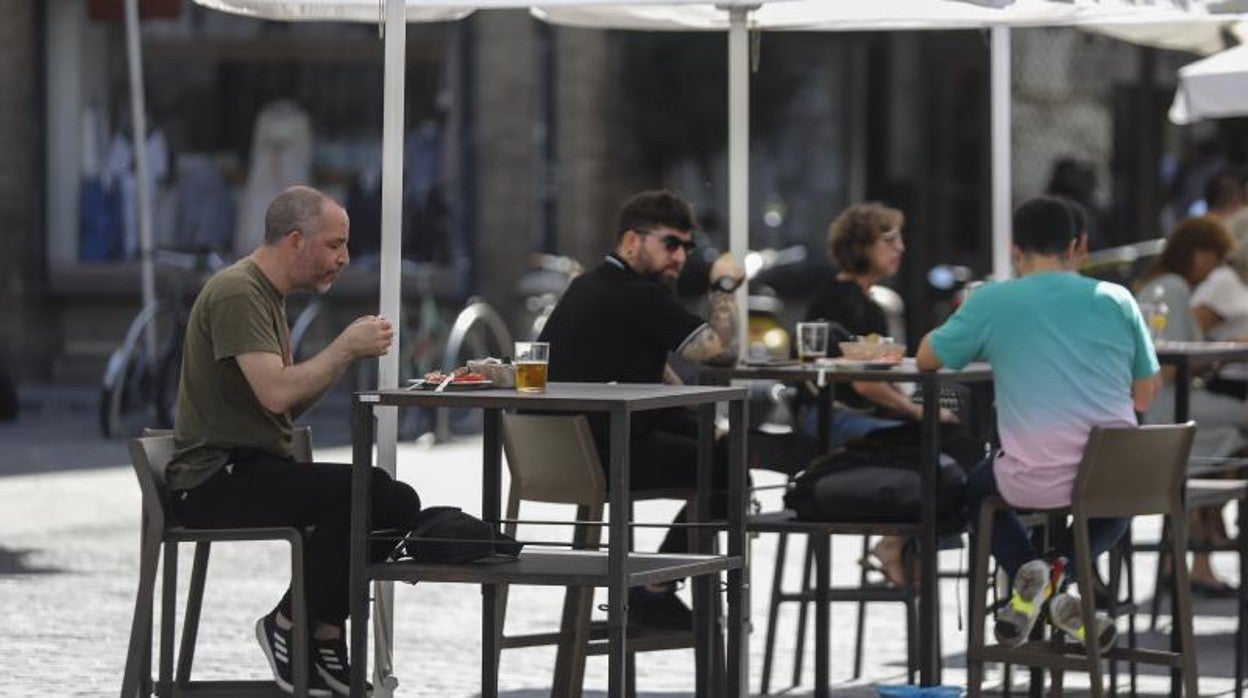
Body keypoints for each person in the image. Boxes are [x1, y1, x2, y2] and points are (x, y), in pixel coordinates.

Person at [169, 185, 423, 696]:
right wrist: (344, 349)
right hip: (215, 479)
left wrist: (338, 358)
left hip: (252, 467)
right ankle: (289, 624)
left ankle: (322, 630)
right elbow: (275, 392)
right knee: (366, 492)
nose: (344, 259)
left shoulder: (266, 295)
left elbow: (282, 403)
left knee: (395, 499)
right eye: (335, 245)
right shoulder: (239, 291)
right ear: (295, 241)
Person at [917, 196, 1161, 651]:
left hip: (1031, 477)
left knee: (977, 487)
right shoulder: (1118, 299)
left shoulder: (993, 299)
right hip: (1114, 478)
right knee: (1116, 505)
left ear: (1014, 249)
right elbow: (1145, 393)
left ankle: (1031, 571)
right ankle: (1059, 572)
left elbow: (927, 358)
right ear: (1079, 245)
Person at [537, 189, 744, 631]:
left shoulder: (588, 286)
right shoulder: (639, 295)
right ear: (632, 241)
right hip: (603, 456)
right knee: (730, 467)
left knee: (722, 446)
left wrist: (706, 425)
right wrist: (724, 287)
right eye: (670, 244)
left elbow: (648, 370)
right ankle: (655, 592)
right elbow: (722, 353)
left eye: (687, 247)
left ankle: (657, 591)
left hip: (564, 455)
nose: (680, 257)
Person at [805, 202, 982, 586]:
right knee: (953, 440)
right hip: (830, 420)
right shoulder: (843, 302)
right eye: (889, 240)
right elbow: (865, 383)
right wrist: (919, 414)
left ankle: (904, 540)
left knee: (956, 440)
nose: (900, 247)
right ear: (860, 246)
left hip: (853, 415)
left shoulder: (866, 302)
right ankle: (904, 540)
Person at [1137, 214, 1244, 596]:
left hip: (1157, 406)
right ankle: (1209, 537)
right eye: (1215, 258)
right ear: (1200, 255)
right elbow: (1169, 366)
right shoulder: (1175, 289)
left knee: (1230, 435)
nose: (1216, 270)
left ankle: (1200, 544)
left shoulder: (1156, 285)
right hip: (1167, 406)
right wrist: (1227, 350)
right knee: (1237, 429)